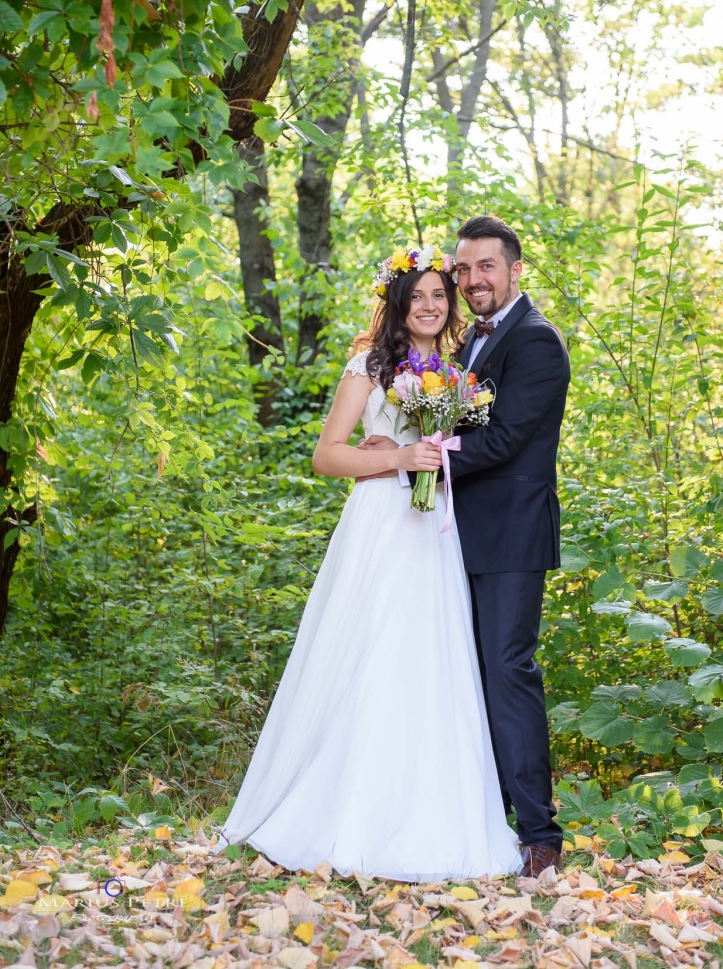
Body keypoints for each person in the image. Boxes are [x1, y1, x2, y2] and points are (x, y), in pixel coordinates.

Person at [213, 245, 524, 882]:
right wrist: (395, 459)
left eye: (441, 295)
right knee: (370, 657)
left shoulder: (462, 371)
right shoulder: (370, 365)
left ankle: (430, 816)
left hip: (436, 533)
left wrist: (431, 451)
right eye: (419, 297)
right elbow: (328, 456)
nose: (431, 306)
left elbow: (468, 446)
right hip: (382, 526)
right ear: (398, 305)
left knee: (432, 665)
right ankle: (343, 811)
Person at [363, 216, 570, 877]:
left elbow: (504, 441)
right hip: (454, 534)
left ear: (513, 270)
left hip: (508, 536)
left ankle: (539, 835)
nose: (473, 279)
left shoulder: (534, 342)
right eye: (464, 268)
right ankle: (481, 819)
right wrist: (402, 443)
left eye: (486, 266)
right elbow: (459, 417)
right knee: (465, 678)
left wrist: (413, 459)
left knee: (508, 673)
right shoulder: (471, 347)